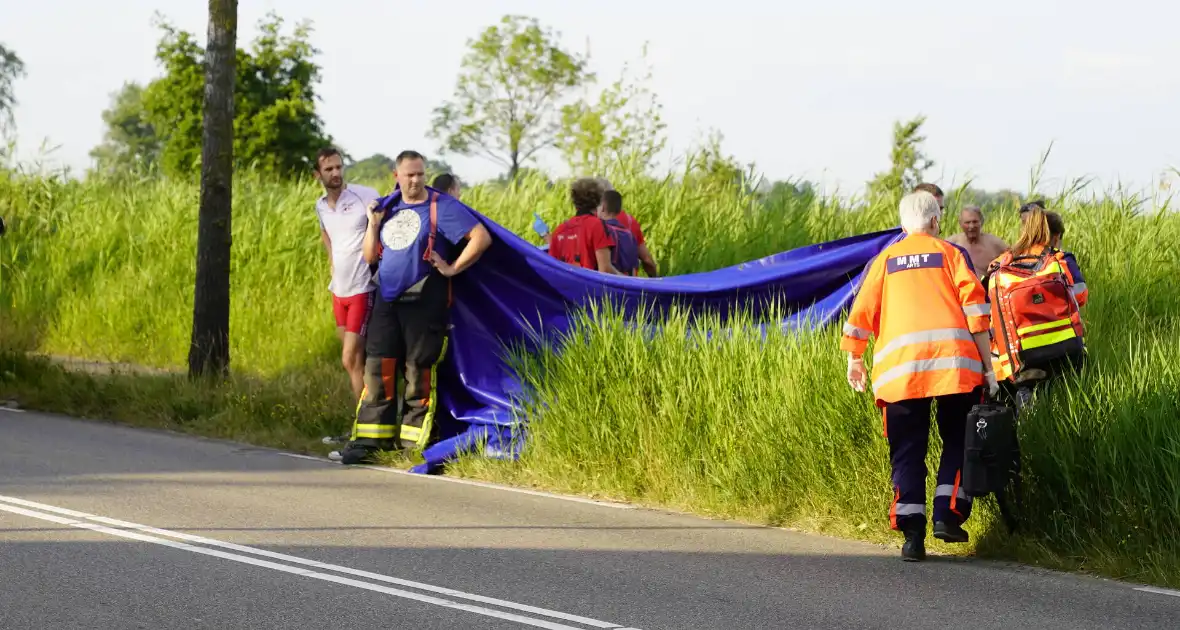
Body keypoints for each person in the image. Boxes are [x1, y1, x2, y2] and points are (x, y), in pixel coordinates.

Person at [841, 190, 998, 562]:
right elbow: (977, 312)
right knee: (959, 439)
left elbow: (861, 311)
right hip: (954, 368)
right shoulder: (950, 254)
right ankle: (947, 515)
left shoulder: (884, 260)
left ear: (902, 225)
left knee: (907, 452)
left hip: (900, 374)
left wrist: (855, 359)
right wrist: (989, 368)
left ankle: (913, 537)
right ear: (935, 222)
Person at [330, 150, 493, 465]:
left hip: (424, 303)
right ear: (397, 176)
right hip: (387, 302)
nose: (416, 180)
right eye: (410, 175)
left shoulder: (442, 208)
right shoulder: (388, 207)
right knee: (376, 370)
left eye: (420, 174)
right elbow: (369, 257)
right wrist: (374, 224)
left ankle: (412, 445)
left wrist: (451, 267)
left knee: (417, 372)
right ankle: (369, 441)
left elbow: (480, 237)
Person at [983, 207, 1088, 410]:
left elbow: (983, 304)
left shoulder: (1000, 263)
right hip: (1062, 348)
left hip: (1013, 357)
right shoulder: (1059, 260)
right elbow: (1080, 296)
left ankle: (1023, 434)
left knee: (1018, 403)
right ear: (1055, 236)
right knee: (1063, 402)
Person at [313, 147, 381, 401]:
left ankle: (364, 424)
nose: (336, 173)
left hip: (362, 289)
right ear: (317, 175)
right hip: (338, 292)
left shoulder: (364, 196)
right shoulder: (320, 206)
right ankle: (364, 423)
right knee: (354, 362)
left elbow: (384, 226)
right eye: (329, 169)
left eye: (339, 167)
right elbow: (325, 233)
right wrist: (332, 260)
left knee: (350, 357)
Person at [549, 178, 621, 274]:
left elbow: (552, 268)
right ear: (598, 200)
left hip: (564, 287)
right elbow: (605, 269)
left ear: (575, 202)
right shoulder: (597, 225)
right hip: (588, 287)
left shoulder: (559, 230)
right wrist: (628, 281)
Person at [597, 178, 659, 277]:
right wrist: (656, 281)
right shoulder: (631, 222)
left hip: (602, 283)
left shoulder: (592, 222)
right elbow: (647, 260)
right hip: (629, 283)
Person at [945, 205, 1009, 278]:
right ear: (960, 224)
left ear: (981, 222)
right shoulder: (950, 244)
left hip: (986, 287)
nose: (971, 226)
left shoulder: (995, 244)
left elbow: (1013, 260)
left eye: (975, 222)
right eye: (967, 222)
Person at [598, 190, 640, 276]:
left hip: (610, 282)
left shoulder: (603, 231)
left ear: (602, 208)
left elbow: (604, 267)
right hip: (627, 282)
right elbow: (633, 267)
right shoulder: (630, 234)